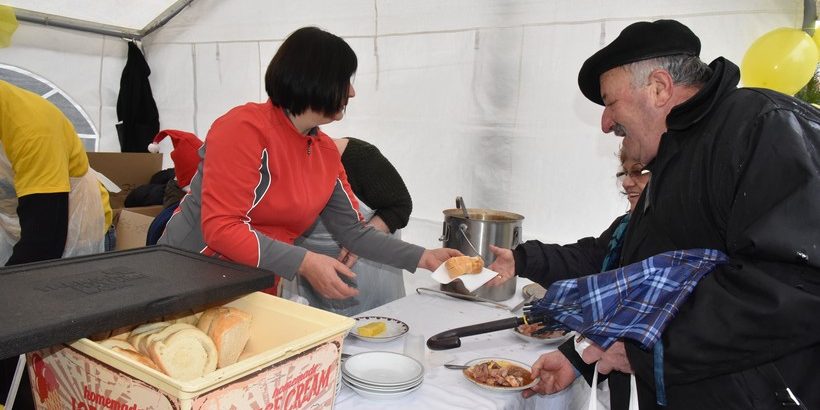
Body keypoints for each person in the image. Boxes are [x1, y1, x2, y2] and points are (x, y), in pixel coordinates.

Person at [528, 19, 820, 409]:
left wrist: (645, 350)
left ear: (660, 88)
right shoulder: (671, 161)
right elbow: (646, 288)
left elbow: (795, 284)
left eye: (610, 102)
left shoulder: (761, 126)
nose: (605, 123)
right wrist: (578, 355)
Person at [159, 26, 459, 300]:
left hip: (255, 282)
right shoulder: (243, 128)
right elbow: (221, 228)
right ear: (314, 78)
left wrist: (424, 257)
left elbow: (353, 233)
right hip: (187, 276)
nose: (352, 92)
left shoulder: (325, 151)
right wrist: (304, 261)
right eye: (345, 81)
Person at [487, 147, 649, 405]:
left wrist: (578, 357)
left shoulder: (681, 234)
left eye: (639, 172)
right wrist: (522, 259)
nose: (628, 182)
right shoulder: (626, 227)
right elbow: (587, 262)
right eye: (625, 173)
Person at [0, 79, 113, 409]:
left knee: (61, 328)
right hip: (14, 217)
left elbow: (44, 243)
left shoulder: (29, 123)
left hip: (76, 222)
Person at [280, 137, 412, 315]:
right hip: (307, 285)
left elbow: (400, 206)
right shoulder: (269, 166)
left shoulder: (359, 158)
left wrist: (359, 242)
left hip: (370, 285)